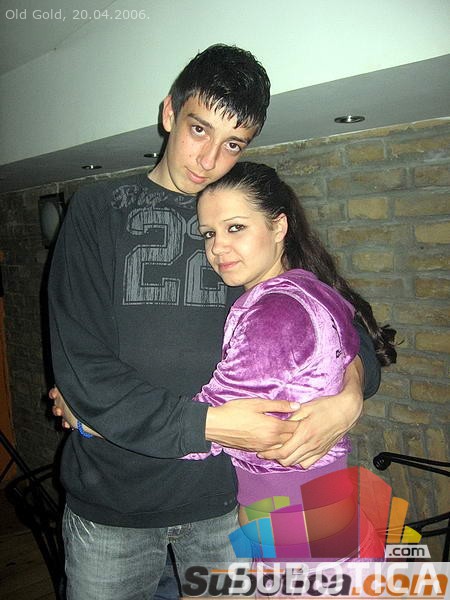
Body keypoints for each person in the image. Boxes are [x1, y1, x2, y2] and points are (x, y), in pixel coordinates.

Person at [48, 44, 381, 599]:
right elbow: (82, 366)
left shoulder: (242, 219)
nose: (207, 159)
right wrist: (203, 423)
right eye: (198, 129)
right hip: (115, 502)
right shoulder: (98, 209)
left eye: (232, 144)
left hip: (230, 503)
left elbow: (343, 331)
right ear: (169, 113)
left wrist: (348, 398)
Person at [183, 161, 397, 560]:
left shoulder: (275, 312)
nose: (217, 247)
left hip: (299, 532)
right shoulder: (309, 286)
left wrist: (98, 422)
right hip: (322, 517)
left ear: (279, 226)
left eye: (235, 227)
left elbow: (206, 423)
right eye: (209, 233)